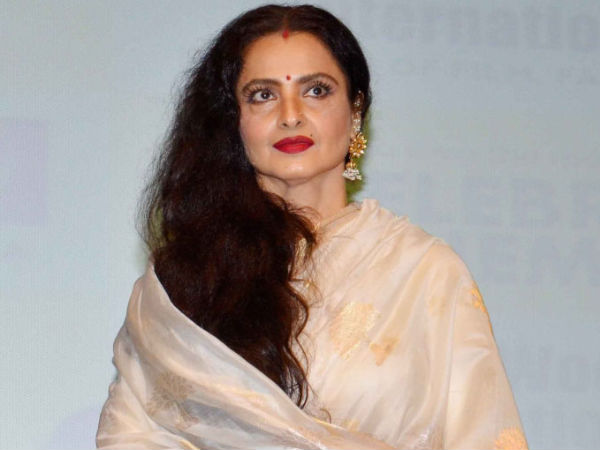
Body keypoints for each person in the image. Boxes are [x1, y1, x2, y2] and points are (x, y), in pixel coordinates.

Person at [96, 4, 527, 449]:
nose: (291, 115)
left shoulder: (425, 273)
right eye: (263, 95)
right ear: (233, 121)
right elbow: (130, 435)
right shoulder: (185, 282)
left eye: (316, 90)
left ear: (355, 111)